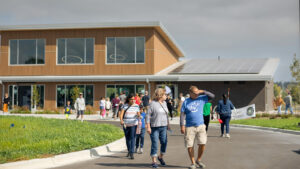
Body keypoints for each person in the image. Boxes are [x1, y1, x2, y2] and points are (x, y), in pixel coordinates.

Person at [180, 86, 215, 169]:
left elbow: (212, 96)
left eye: (197, 92)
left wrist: (202, 91)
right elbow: (182, 114)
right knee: (190, 145)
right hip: (189, 127)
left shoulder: (202, 98)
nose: (196, 94)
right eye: (194, 93)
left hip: (201, 125)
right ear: (190, 93)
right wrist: (182, 125)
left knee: (203, 143)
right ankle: (193, 163)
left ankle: (198, 160)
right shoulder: (186, 101)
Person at [146, 88, 170, 168]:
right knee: (155, 144)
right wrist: (148, 127)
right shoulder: (153, 103)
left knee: (164, 142)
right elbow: (148, 116)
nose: (166, 96)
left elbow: (166, 115)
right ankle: (154, 161)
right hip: (154, 127)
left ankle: (160, 157)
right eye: (165, 94)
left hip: (163, 126)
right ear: (160, 95)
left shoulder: (165, 103)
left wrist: (168, 124)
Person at [120, 93, 141, 160]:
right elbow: (121, 114)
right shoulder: (124, 105)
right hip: (125, 124)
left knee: (132, 137)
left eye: (134, 99)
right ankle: (129, 150)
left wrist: (139, 116)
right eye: (131, 99)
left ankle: (131, 152)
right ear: (128, 99)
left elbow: (138, 114)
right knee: (127, 138)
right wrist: (121, 120)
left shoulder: (137, 106)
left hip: (134, 123)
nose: (133, 100)